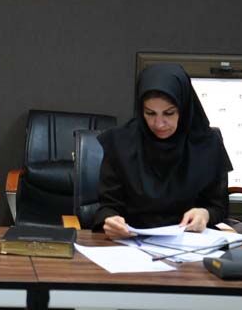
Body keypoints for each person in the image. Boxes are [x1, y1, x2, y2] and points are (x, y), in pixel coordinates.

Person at [92, 63, 232, 240]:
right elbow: (108, 206)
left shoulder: (207, 144)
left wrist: (204, 214)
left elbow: (218, 207)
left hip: (190, 242)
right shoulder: (120, 143)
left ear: (184, 108)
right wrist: (110, 220)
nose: (159, 124)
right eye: (150, 113)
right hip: (134, 241)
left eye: (169, 113)